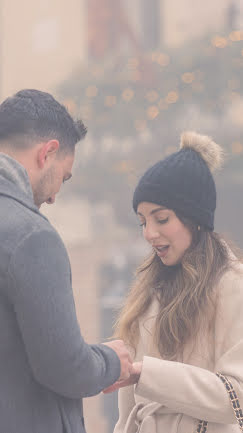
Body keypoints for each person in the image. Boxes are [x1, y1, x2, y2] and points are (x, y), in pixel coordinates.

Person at [0, 89, 133, 433]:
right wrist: (111, 362)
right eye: (64, 176)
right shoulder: (31, 236)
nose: (56, 196)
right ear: (48, 153)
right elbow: (63, 367)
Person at [104, 131, 243, 432]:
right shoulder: (146, 294)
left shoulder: (232, 286)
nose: (149, 233)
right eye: (142, 222)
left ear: (194, 218)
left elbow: (237, 398)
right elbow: (126, 415)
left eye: (161, 219)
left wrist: (147, 375)